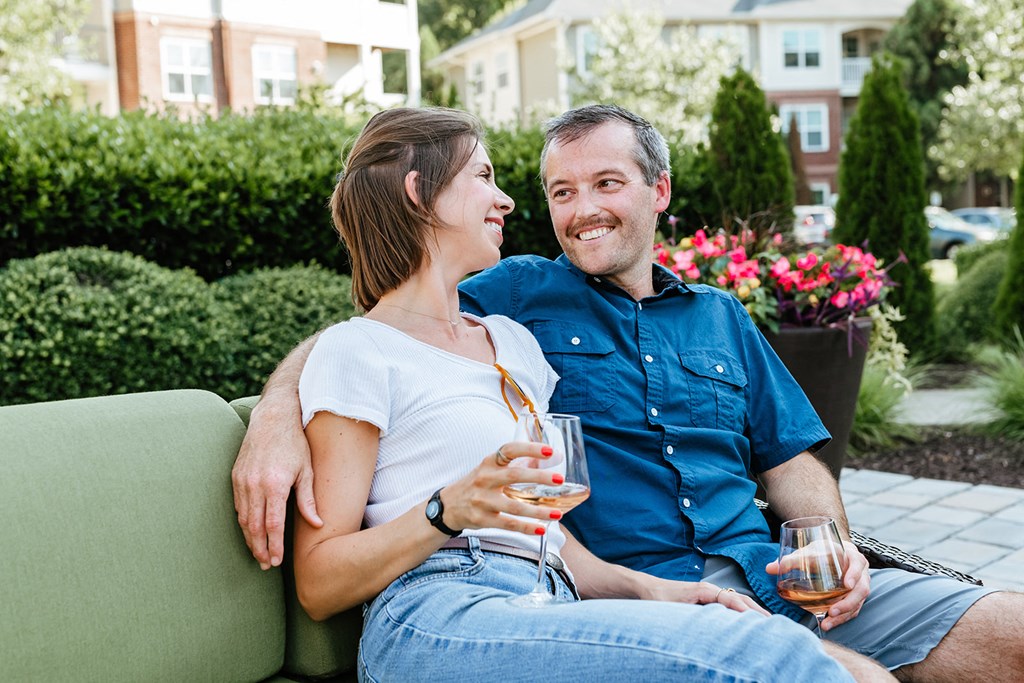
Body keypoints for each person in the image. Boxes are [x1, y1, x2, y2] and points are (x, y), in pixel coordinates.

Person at [233, 105, 1023, 680]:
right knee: (835, 673)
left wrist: (826, 546)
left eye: (605, 182)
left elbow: (789, 457)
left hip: (748, 572)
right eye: (559, 191)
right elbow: (374, 334)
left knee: (1010, 630)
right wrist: (275, 411)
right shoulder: (518, 296)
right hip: (549, 592)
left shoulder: (692, 318)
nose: (575, 211)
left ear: (660, 190)